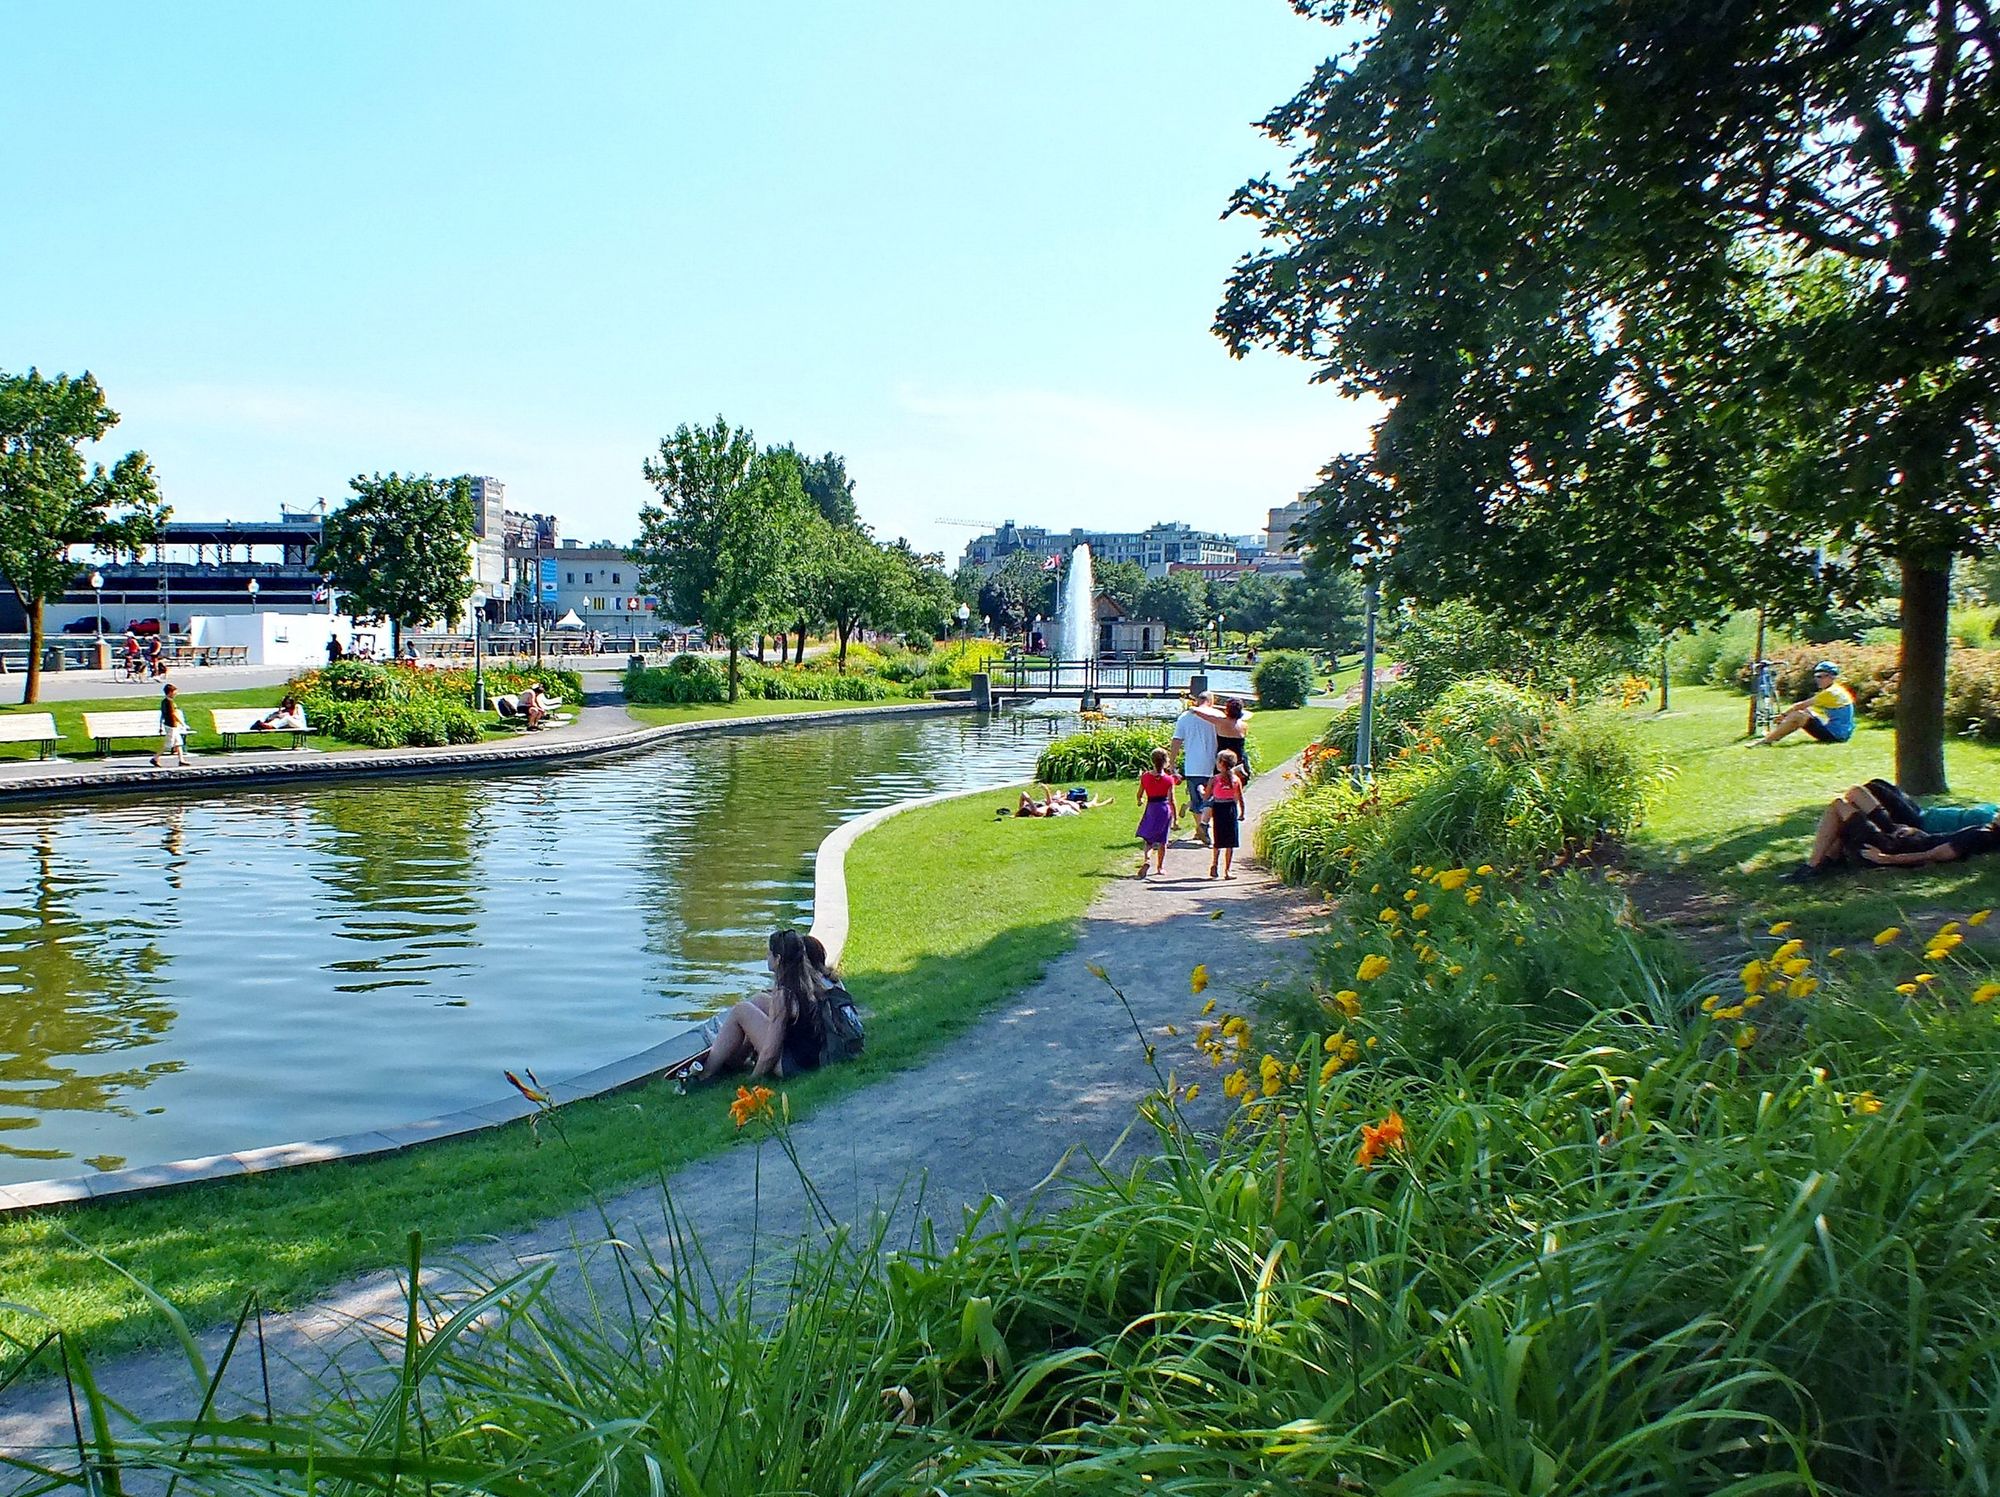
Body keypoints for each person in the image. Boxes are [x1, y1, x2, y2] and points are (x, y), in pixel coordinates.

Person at [1787, 780, 2000, 878]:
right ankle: (1827, 861)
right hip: (1904, 838)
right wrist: (1916, 832)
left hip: (1892, 846)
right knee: (1855, 798)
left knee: (1840, 805)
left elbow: (1936, 853)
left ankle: (1814, 866)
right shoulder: (1985, 830)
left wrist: (1885, 858)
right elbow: (1935, 843)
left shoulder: (1981, 835)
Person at [696, 929, 826, 1081]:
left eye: (769, 953)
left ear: (778, 959)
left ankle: (705, 1074)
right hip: (810, 1058)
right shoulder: (806, 983)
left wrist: (753, 1079)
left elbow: (769, 1054)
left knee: (741, 1010)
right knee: (759, 1000)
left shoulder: (784, 996)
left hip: (791, 1065)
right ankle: (734, 1058)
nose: (767, 956)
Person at [1756, 661, 1855, 746]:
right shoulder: (1836, 689)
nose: (1817, 679)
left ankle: (1766, 740)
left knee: (1798, 716)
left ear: (1832, 677)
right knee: (1805, 712)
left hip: (1836, 735)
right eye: (1816, 676)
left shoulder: (1830, 692)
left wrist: (1783, 715)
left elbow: (1800, 705)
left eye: (1821, 676)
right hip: (1841, 733)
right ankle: (1775, 735)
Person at [1168, 691, 1222, 845]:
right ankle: (1202, 829)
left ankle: (1200, 828)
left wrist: (1172, 762)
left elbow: (1176, 741)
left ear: (1197, 701)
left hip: (1193, 765)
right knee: (1211, 799)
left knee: (1197, 799)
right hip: (1213, 765)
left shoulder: (1185, 718)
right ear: (1211, 701)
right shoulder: (1216, 716)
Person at [1134, 747, 1180, 877]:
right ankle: (1160, 867)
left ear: (1152, 761)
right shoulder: (1169, 779)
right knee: (1162, 840)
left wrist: (1140, 800)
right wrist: (1176, 818)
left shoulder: (1145, 777)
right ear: (1165, 761)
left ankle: (1147, 859)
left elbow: (1139, 794)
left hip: (1152, 808)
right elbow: (1172, 800)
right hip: (1164, 809)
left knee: (1148, 840)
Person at [1207, 749, 1246, 879]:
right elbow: (1240, 798)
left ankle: (1214, 864)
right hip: (1230, 809)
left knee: (1218, 838)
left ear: (1220, 763)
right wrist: (1242, 813)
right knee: (1230, 841)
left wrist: (1200, 789)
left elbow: (1206, 797)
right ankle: (1227, 870)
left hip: (1218, 808)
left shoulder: (1214, 779)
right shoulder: (1236, 780)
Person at [151, 683, 190, 768]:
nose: (176, 693)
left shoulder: (165, 701)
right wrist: (183, 724)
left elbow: (163, 714)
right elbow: (174, 714)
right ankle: (155, 758)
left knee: (178, 743)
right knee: (169, 744)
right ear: (170, 692)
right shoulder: (169, 702)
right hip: (171, 725)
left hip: (172, 725)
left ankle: (181, 760)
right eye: (174, 692)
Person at [1211, 697, 1252, 776]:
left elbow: (1201, 713)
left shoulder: (1220, 722)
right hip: (1239, 761)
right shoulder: (1243, 725)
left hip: (1223, 761)